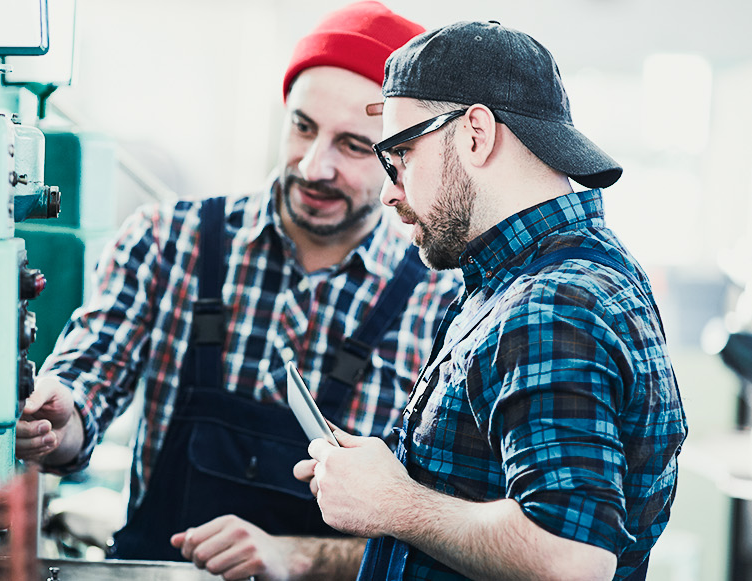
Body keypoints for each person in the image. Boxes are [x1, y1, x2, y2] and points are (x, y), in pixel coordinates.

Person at [15, 3, 464, 579]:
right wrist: (55, 421)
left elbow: (439, 535)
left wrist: (297, 557)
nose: (314, 165)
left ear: (403, 157)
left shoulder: (440, 305)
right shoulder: (168, 241)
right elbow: (83, 393)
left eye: (355, 146)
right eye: (303, 127)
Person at [294, 20, 687, 580]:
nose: (388, 191)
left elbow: (571, 561)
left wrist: (396, 504)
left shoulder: (551, 304)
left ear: (475, 134)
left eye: (399, 155)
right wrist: (384, 481)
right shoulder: (535, 280)